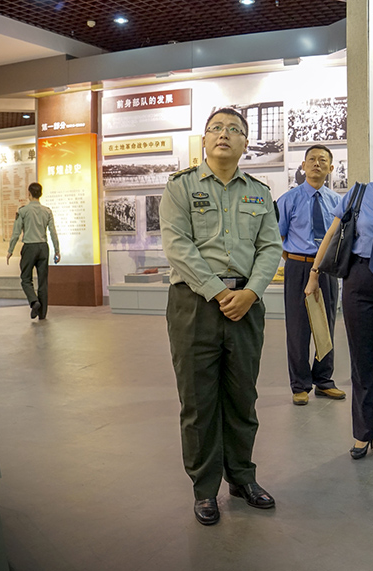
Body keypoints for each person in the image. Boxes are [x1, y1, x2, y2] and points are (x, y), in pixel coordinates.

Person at [160, 108, 283, 526]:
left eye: (234, 129)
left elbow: (270, 248)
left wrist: (249, 292)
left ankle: (242, 478)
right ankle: (204, 488)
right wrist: (218, 291)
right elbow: (177, 246)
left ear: (246, 143)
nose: (224, 134)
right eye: (216, 128)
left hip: (246, 304)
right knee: (198, 401)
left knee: (242, 396)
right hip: (194, 304)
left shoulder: (259, 192)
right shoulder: (180, 187)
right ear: (204, 140)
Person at [305, 131, 373, 460]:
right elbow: (333, 232)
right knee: (362, 360)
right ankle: (362, 432)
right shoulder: (358, 193)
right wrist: (314, 275)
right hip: (360, 279)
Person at [277, 145, 345, 405]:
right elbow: (279, 237)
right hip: (297, 266)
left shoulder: (337, 202)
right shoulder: (288, 200)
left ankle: (324, 381)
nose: (317, 164)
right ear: (303, 166)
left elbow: (339, 238)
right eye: (312, 160)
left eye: (323, 160)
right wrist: (298, 262)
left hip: (326, 269)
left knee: (325, 323)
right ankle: (300, 384)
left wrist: (320, 264)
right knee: (297, 327)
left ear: (330, 168)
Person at [6, 182, 60, 320]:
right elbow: (53, 232)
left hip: (29, 247)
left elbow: (16, 232)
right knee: (43, 281)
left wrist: (10, 250)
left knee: (25, 279)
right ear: (40, 194)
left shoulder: (23, 211)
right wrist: (57, 250)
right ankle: (42, 314)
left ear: (29, 194)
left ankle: (34, 301)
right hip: (43, 247)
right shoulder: (47, 211)